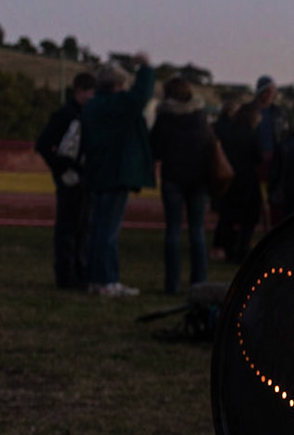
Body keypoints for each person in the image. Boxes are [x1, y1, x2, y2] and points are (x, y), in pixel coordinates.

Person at [79, 55, 156, 296]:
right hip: (117, 171)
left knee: (98, 228)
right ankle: (108, 281)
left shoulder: (92, 106)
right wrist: (145, 67)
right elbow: (141, 95)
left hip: (98, 171)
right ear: (119, 85)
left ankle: (94, 279)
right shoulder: (119, 104)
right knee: (109, 231)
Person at [150, 76, 211, 295]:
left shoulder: (165, 117)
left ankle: (172, 284)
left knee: (173, 230)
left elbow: (155, 148)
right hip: (198, 178)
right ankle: (200, 281)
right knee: (197, 231)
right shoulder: (200, 116)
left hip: (173, 177)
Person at [35, 71, 95, 289]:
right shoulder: (66, 115)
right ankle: (67, 275)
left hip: (80, 177)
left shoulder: (80, 115)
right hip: (70, 178)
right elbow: (43, 144)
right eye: (90, 93)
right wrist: (62, 168)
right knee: (69, 229)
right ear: (80, 92)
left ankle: (78, 273)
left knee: (81, 229)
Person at [214, 98, 263, 261]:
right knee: (249, 219)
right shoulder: (252, 134)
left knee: (228, 216)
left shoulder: (228, 131)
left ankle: (229, 249)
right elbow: (259, 156)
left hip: (230, 179)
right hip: (248, 181)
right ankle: (242, 249)